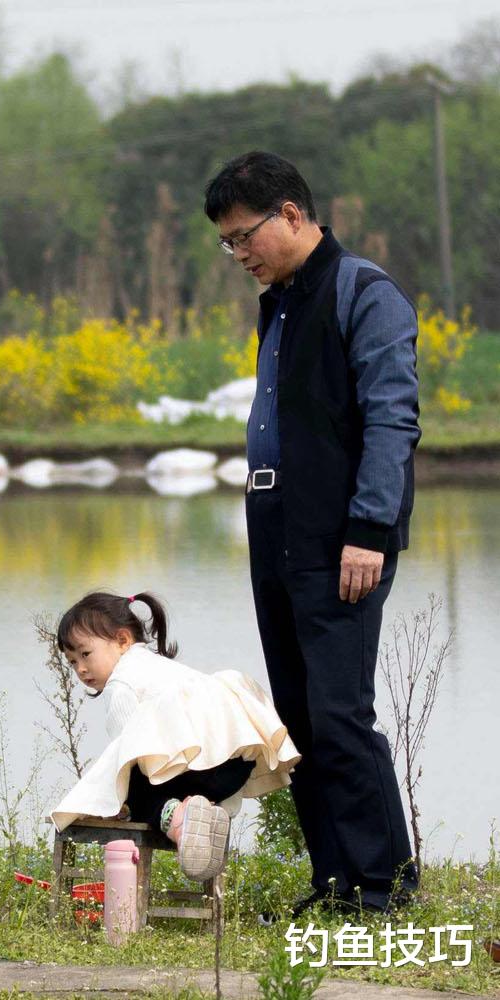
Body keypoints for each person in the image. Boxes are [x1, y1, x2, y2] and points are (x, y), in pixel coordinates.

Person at [204, 151, 421, 915]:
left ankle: (383, 887)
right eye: (228, 244)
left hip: (341, 536)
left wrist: (368, 528)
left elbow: (393, 420)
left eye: (243, 237)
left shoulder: (365, 291)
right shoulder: (283, 299)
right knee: (298, 718)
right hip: (276, 526)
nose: (238, 255)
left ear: (291, 214)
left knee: (338, 713)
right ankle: (335, 882)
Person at [50, 592, 300, 882]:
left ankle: (178, 821)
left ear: (122, 641)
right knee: (150, 777)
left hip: (197, 770)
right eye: (72, 662)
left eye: (85, 654)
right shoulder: (161, 668)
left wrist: (115, 803)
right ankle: (205, 814)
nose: (80, 669)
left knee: (133, 789)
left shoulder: (122, 684)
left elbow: (126, 760)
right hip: (234, 768)